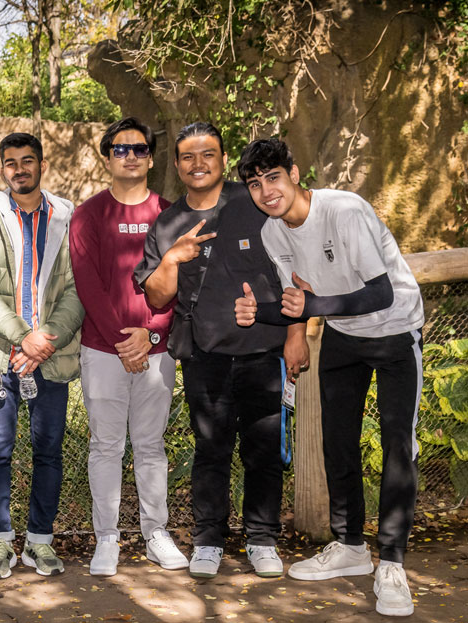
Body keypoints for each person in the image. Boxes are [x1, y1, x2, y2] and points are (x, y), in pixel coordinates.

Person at [235, 138, 425, 616]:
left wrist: (314, 307)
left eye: (272, 177)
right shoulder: (273, 234)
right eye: (255, 184)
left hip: (395, 331)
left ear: (294, 174)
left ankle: (393, 563)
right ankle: (351, 547)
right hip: (343, 336)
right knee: (337, 442)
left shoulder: (344, 210)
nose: (265, 191)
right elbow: (296, 301)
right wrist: (258, 313)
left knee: (397, 444)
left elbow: (380, 293)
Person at [134, 122, 305, 579]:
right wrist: (173, 258)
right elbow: (155, 297)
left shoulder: (254, 204)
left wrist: (295, 334)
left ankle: (262, 538)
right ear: (175, 164)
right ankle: (208, 538)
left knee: (263, 449)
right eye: (188, 156)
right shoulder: (168, 222)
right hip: (205, 354)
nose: (198, 164)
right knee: (211, 449)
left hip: (264, 350)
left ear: (222, 158)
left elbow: (296, 269)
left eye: (207, 154)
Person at [69, 117, 187, 576]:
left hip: (158, 350)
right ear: (107, 157)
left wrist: (152, 335)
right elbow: (89, 285)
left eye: (139, 149)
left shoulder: (172, 214)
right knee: (106, 446)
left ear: (151, 158)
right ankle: (107, 539)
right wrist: (125, 339)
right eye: (121, 149)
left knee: (151, 445)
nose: (130, 156)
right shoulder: (89, 214)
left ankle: (156, 534)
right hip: (104, 350)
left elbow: (180, 284)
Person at [0, 132, 84, 580]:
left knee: (48, 450)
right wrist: (22, 338)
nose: (19, 169)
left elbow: (78, 287)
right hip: (1, 358)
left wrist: (44, 339)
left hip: (50, 356)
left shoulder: (67, 220)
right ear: (3, 169)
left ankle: (39, 542)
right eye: (10, 162)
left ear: (42, 165)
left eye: (27, 160)